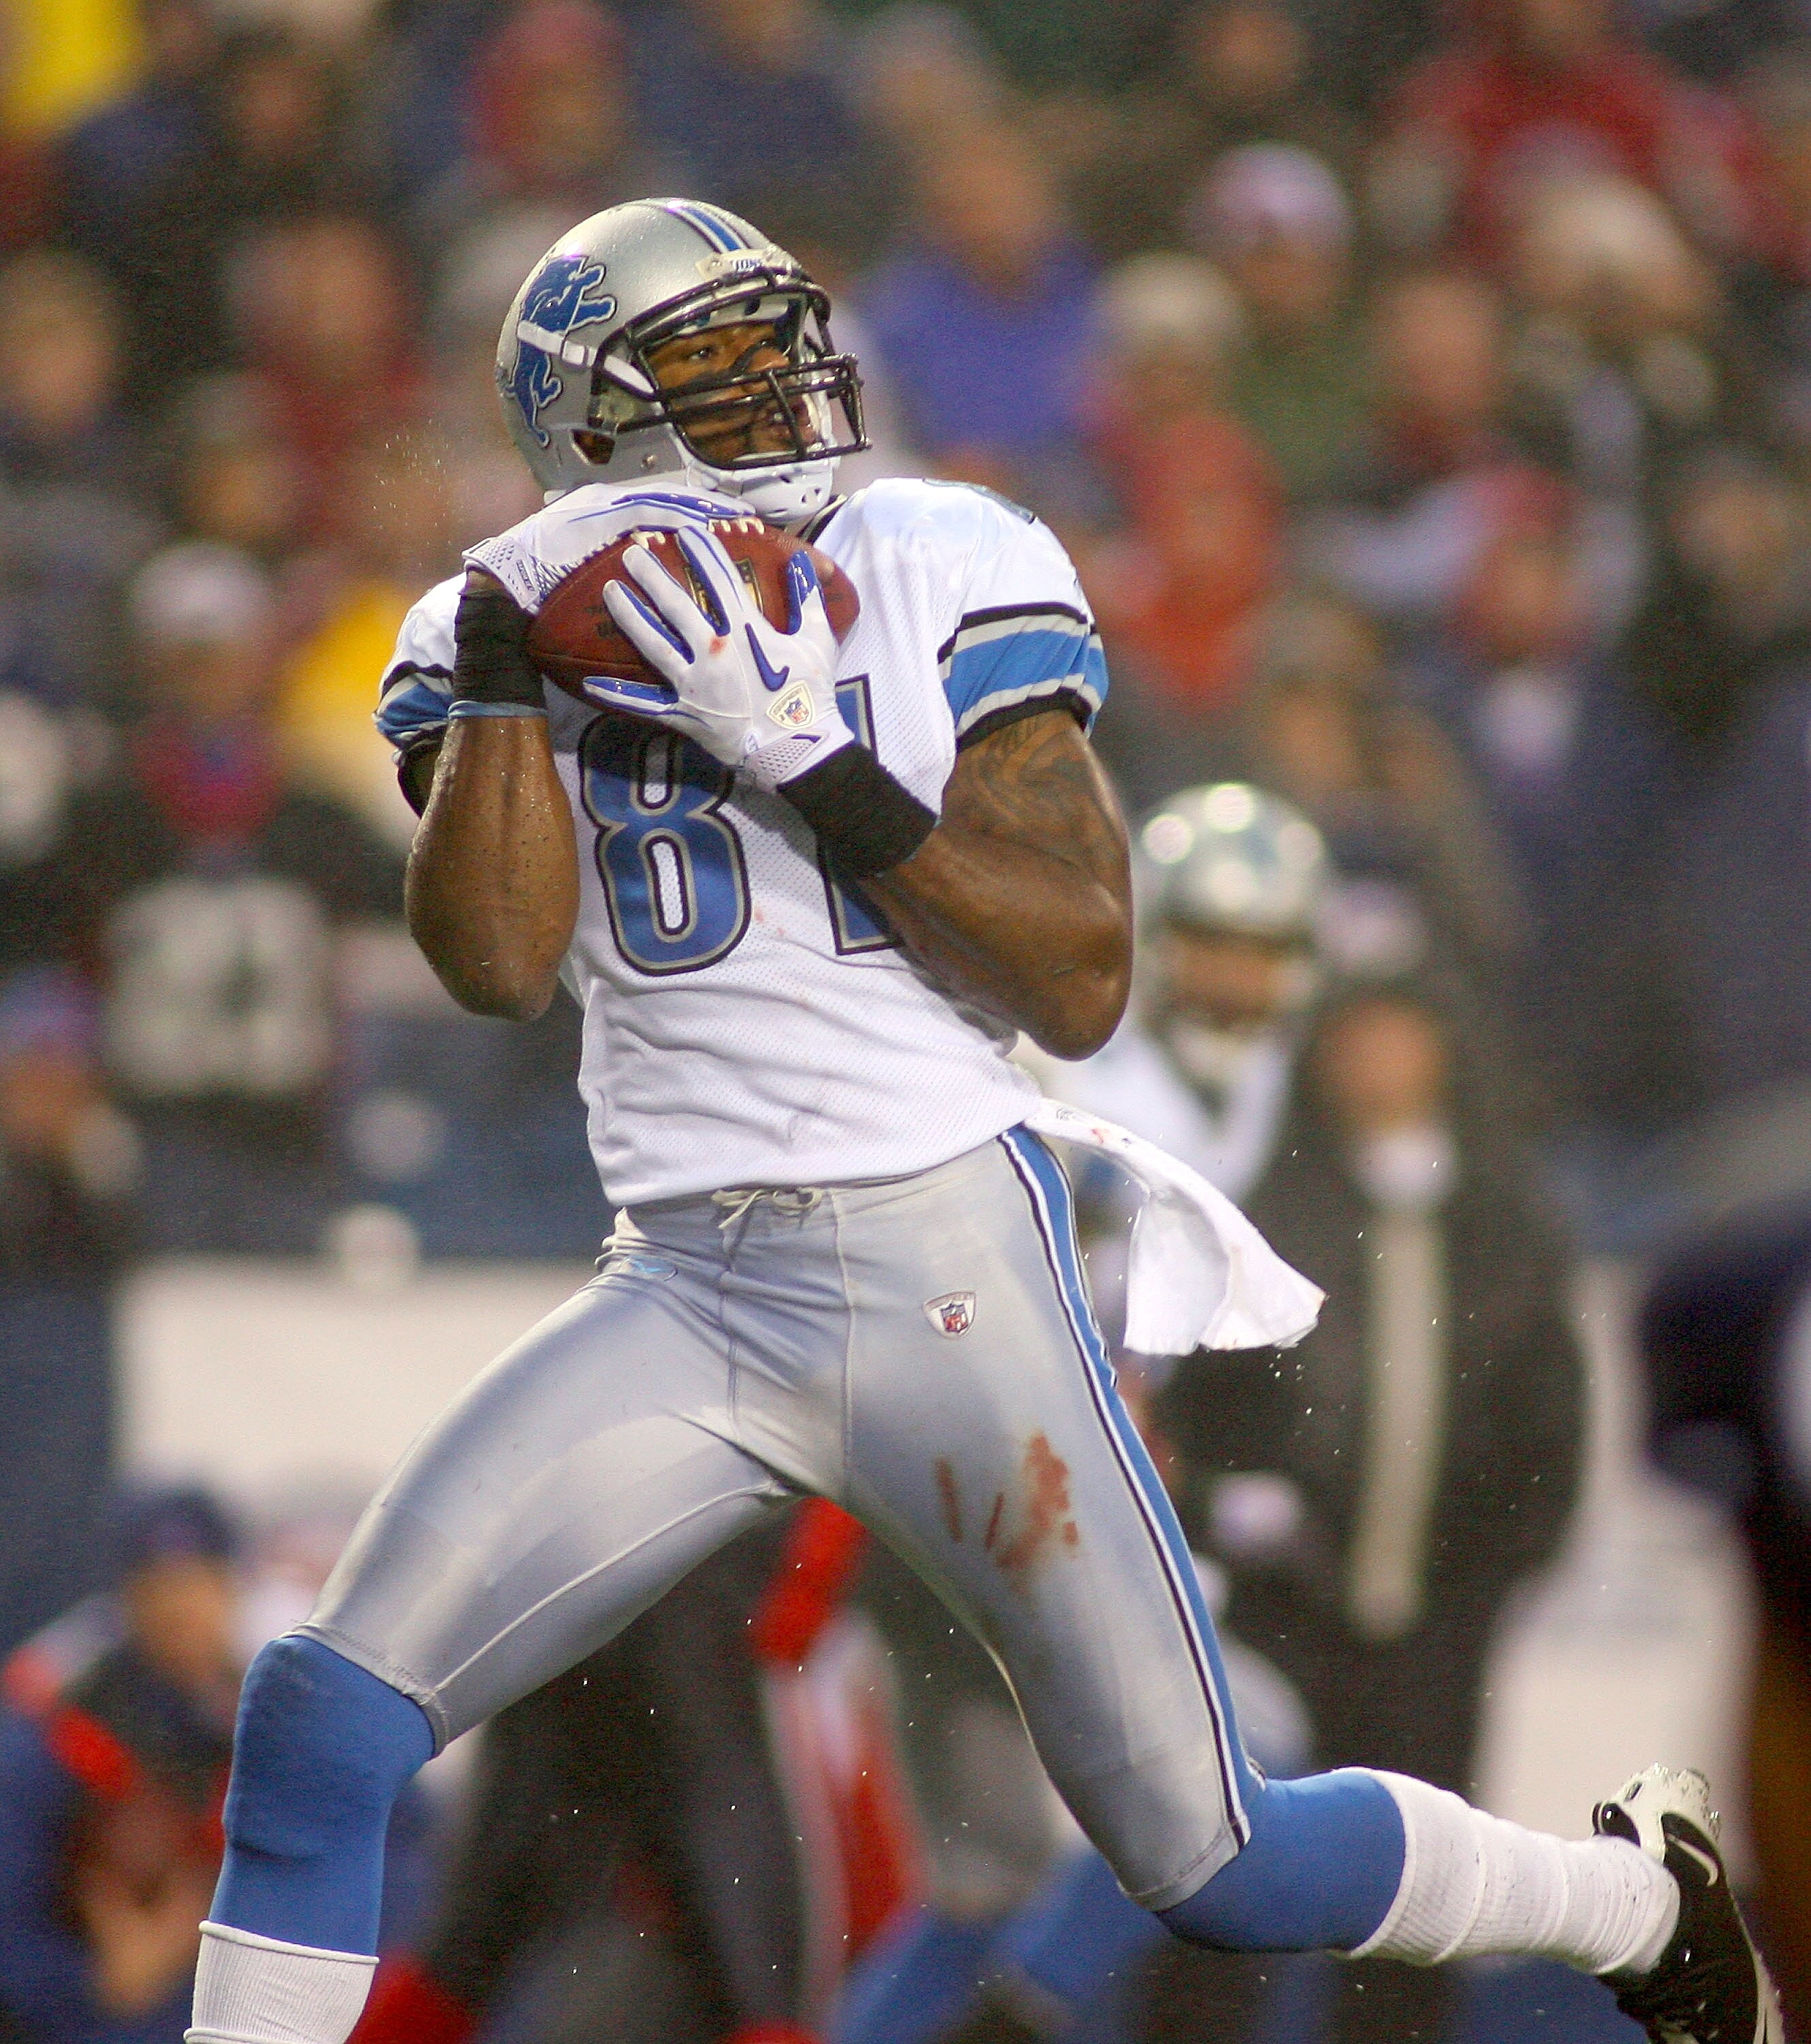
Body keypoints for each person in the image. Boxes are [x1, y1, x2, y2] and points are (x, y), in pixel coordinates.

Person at [186, 197, 1779, 2044]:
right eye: (714, 359)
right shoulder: (503, 600)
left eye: (780, 334)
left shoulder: (938, 552)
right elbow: (493, 958)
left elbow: (1084, 975)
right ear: (593, 417)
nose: (784, 380)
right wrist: (492, 684)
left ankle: (1628, 1903)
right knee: (318, 1718)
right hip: (689, 1290)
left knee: (1216, 1860)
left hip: (948, 1263)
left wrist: (814, 759)